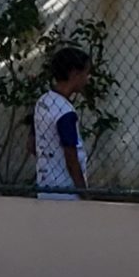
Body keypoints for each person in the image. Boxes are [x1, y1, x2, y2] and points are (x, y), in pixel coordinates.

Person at [35, 46, 94, 200]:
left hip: (44, 186)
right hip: (66, 192)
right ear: (74, 74)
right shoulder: (65, 112)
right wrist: (84, 193)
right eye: (86, 73)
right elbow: (71, 157)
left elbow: (31, 143)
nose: (87, 79)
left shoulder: (43, 101)